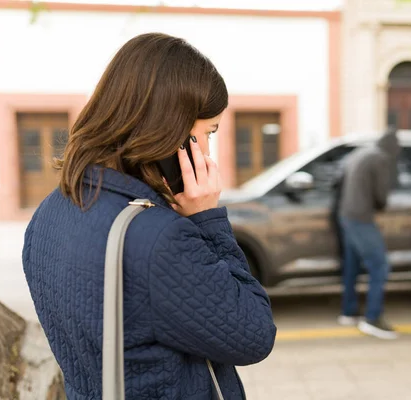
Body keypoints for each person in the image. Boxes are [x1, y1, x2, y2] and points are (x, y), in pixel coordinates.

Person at [22, 33, 277, 399]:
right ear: (172, 129)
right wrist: (208, 220)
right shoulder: (157, 239)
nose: (207, 152)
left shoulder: (49, 213)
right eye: (209, 132)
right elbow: (255, 334)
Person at [337, 129, 401, 339]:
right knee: (380, 266)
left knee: (352, 267)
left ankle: (349, 312)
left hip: (346, 214)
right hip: (362, 218)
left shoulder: (360, 153)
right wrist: (381, 206)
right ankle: (372, 319)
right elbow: (381, 194)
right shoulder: (380, 158)